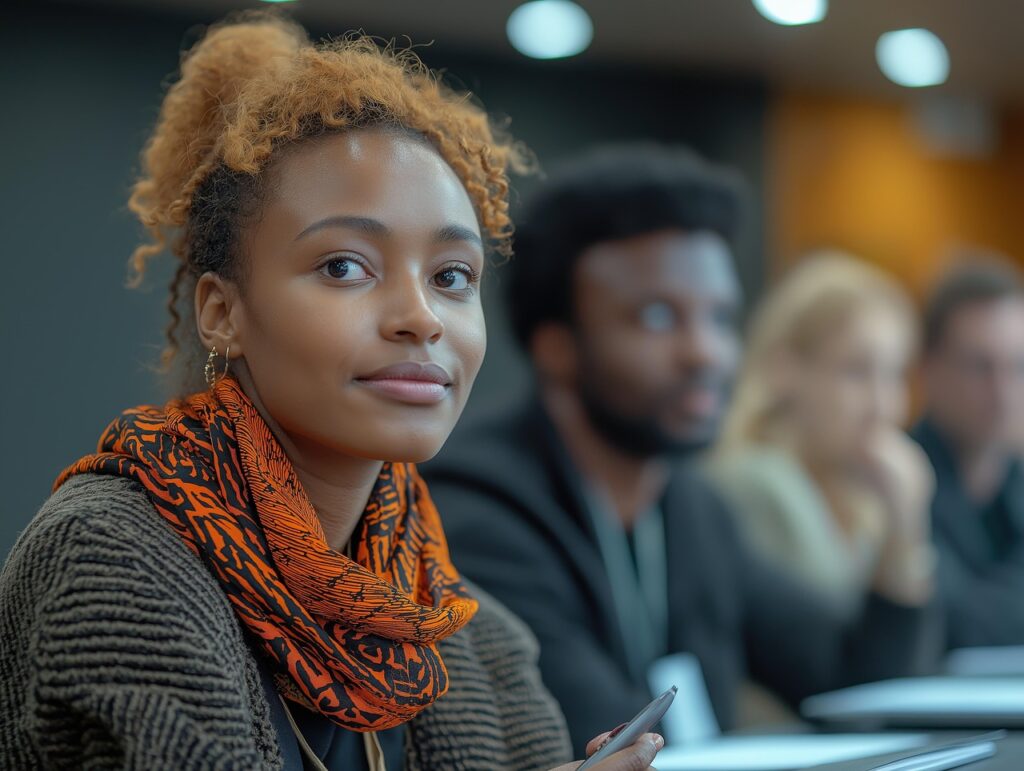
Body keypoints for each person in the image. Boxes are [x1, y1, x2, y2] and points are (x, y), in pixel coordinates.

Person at [0, 14, 664, 771]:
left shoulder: (474, 638)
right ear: (222, 312)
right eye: (344, 266)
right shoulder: (111, 558)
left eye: (452, 276)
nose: (421, 317)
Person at [422, 144, 938, 755]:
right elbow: (601, 745)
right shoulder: (478, 515)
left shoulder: (692, 506)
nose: (706, 352)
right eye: (658, 317)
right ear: (556, 347)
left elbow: (853, 686)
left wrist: (903, 533)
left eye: (719, 317)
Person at [707, 253, 935, 620]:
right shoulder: (758, 485)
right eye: (857, 371)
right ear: (784, 368)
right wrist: (905, 532)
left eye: (894, 375)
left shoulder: (862, 498)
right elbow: (841, 646)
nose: (882, 406)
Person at [911, 260, 1024, 649]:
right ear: (928, 369)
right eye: (980, 366)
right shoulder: (895, 483)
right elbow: (947, 622)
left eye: (1018, 366)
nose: (1003, 392)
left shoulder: (1016, 481)